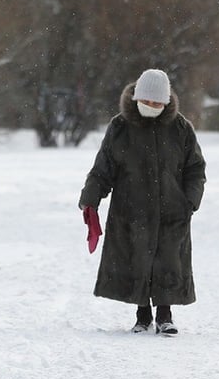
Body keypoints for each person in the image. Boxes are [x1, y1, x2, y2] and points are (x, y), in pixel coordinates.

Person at [78, 69, 206, 335]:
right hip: (130, 210)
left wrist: (190, 201)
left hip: (172, 210)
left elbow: (195, 168)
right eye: (148, 102)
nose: (153, 107)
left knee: (167, 260)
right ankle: (143, 315)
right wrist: (91, 198)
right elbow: (104, 168)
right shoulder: (120, 127)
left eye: (158, 103)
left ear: (166, 102)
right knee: (136, 259)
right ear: (137, 99)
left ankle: (165, 315)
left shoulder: (180, 128)